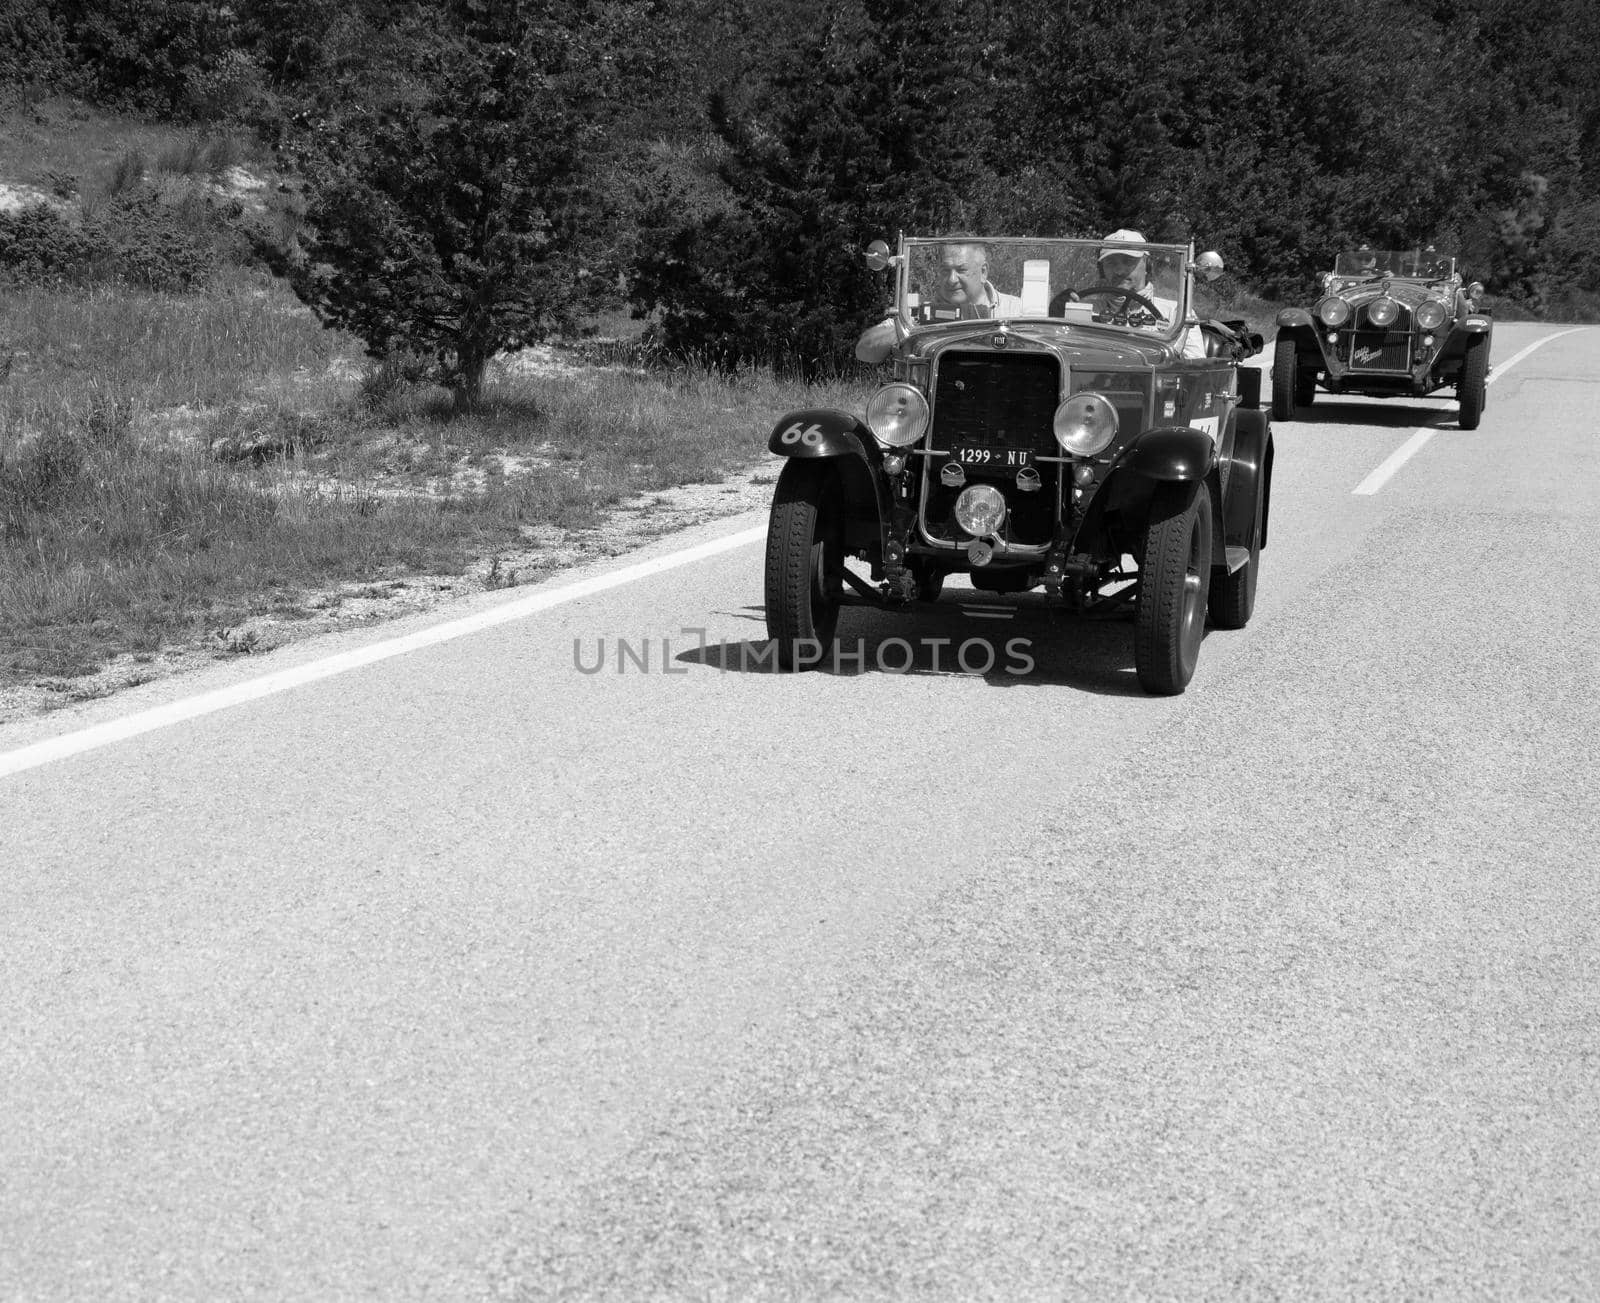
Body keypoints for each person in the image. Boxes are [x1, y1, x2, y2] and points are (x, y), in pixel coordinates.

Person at [855, 240, 1023, 363]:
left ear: (983, 272)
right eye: (945, 270)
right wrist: (910, 326)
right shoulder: (919, 314)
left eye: (961, 270)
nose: (951, 280)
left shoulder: (1016, 310)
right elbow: (864, 351)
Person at [1093, 228, 1206, 360]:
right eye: (1111, 263)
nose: (1119, 270)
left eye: (1128, 261)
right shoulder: (1085, 311)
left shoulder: (1176, 314)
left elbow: (1195, 368)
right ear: (1102, 270)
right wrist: (1062, 307)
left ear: (1147, 265)